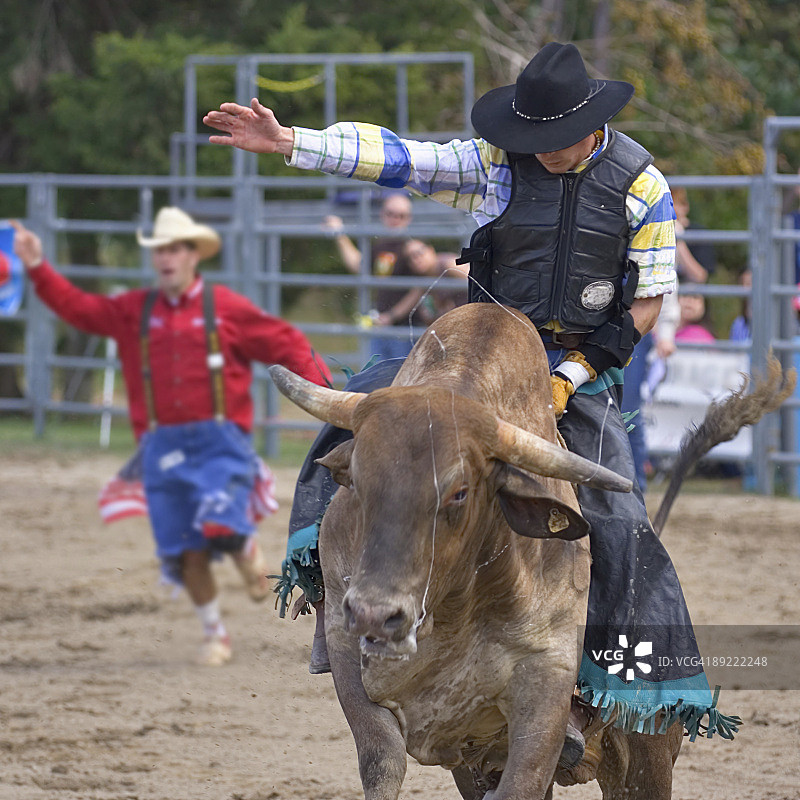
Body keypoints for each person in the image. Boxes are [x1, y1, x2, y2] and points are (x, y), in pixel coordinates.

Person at [204, 41, 738, 760]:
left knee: (615, 515)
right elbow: (401, 158)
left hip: (578, 366)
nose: (541, 152)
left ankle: (596, 689)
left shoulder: (642, 185)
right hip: (472, 358)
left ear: (591, 125)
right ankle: (330, 602)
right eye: (533, 137)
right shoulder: (494, 164)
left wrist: (570, 376)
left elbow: (646, 303)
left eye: (554, 139)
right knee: (358, 416)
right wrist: (292, 141)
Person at [12, 209, 332, 667]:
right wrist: (39, 266)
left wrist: (328, 395)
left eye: (175, 248)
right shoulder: (133, 311)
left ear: (191, 256)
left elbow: (285, 343)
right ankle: (213, 629)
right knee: (184, 548)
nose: (166, 257)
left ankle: (240, 545)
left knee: (218, 526)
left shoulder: (225, 309)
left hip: (220, 442)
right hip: (162, 449)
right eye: (160, 249)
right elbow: (79, 309)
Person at [325, 193, 420, 361]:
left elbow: (419, 288)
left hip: (406, 329)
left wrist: (392, 316)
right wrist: (340, 235)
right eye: (391, 214)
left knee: (402, 383)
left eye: (401, 215)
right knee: (376, 379)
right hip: (380, 324)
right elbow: (359, 266)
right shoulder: (381, 245)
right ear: (382, 215)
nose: (395, 219)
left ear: (409, 218)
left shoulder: (412, 248)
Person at [402, 238, 468, 324]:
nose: (415, 260)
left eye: (418, 253)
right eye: (409, 258)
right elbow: (409, 302)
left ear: (430, 250)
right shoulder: (423, 280)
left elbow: (478, 280)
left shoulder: (449, 265)